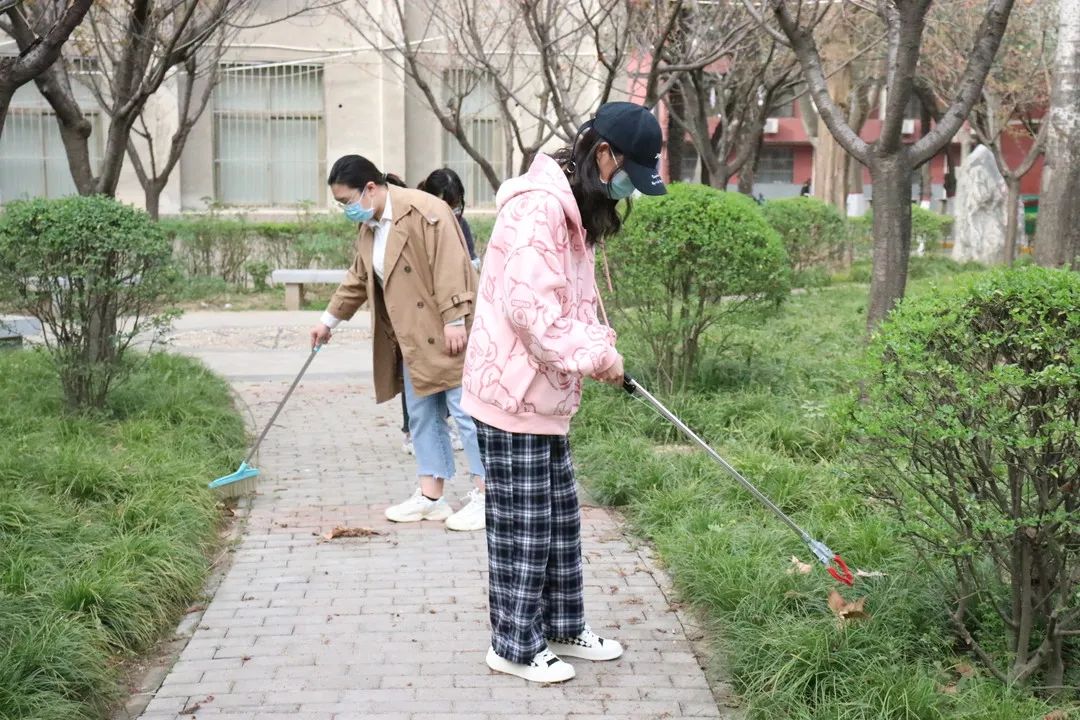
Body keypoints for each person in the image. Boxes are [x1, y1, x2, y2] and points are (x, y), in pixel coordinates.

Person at [461, 101, 666, 683]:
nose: (627, 189)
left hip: (544, 397)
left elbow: (573, 303)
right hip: (511, 395)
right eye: (628, 173)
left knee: (558, 523)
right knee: (523, 529)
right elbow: (534, 314)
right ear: (603, 153)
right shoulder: (539, 209)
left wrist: (599, 348)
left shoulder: (573, 208)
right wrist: (598, 356)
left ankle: (561, 626)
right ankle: (513, 646)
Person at [311, 155, 487, 532]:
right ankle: (431, 496)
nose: (346, 210)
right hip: (409, 334)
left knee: (466, 415)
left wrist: (455, 319)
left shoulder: (425, 210)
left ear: (370, 188)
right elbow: (358, 277)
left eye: (346, 201)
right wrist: (328, 320)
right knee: (422, 414)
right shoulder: (370, 226)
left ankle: (488, 495)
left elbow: (451, 264)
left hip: (447, 329)